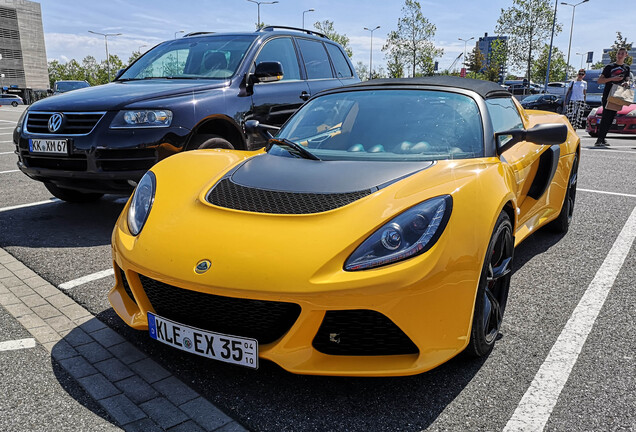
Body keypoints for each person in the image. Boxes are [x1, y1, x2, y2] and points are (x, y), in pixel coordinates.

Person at [595, 47, 632, 146]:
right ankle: (599, 139)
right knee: (606, 116)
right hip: (608, 93)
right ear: (616, 55)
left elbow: (628, 79)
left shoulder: (626, 68)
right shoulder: (609, 67)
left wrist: (626, 83)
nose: (620, 55)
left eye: (622, 53)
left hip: (618, 94)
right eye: (619, 53)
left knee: (611, 117)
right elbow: (600, 80)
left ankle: (603, 138)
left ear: (626, 55)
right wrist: (612, 78)